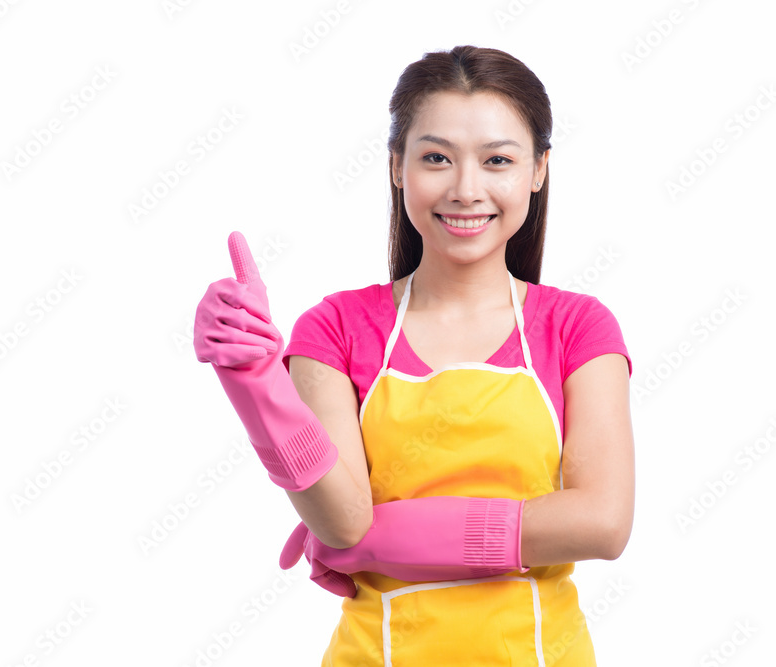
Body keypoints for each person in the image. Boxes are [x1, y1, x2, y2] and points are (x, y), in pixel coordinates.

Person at [194, 44, 635, 666]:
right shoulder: (337, 328)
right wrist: (254, 382)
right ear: (397, 166)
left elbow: (602, 522)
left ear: (538, 169)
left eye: (498, 160)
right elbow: (341, 522)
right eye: (435, 158)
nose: (466, 189)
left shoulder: (576, 327)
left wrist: (383, 540)